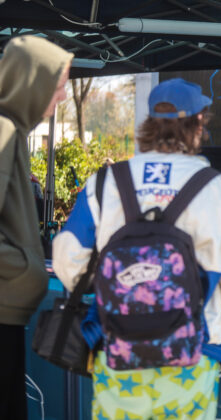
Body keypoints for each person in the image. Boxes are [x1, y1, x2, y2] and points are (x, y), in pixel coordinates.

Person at [52, 78, 221, 420]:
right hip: (195, 352)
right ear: (199, 122)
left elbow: (69, 265)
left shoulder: (103, 183)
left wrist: (123, 284)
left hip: (117, 348)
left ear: (149, 123)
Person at [0, 35, 73, 419]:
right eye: (58, 84)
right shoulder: (3, 132)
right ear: (32, 81)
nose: (63, 96)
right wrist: (25, 267)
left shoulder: (11, 130)